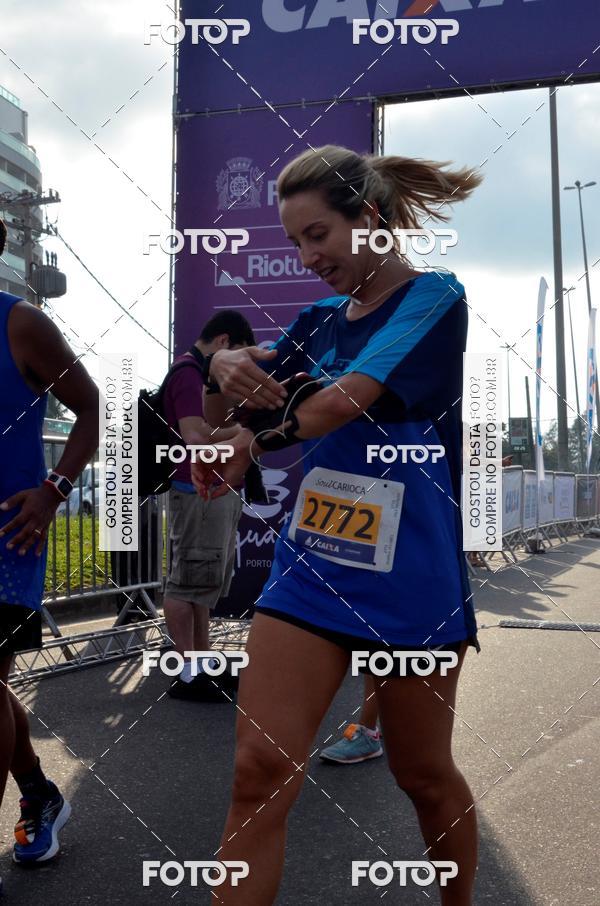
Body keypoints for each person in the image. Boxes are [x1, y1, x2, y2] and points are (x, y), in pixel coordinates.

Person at [193, 145, 483, 905]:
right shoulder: (317, 320)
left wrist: (256, 440)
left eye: (317, 235)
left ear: (371, 218)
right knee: (257, 769)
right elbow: (229, 411)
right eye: (295, 241)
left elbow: (339, 402)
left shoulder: (435, 297)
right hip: (312, 570)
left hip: (411, 582)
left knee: (423, 777)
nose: (306, 257)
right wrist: (218, 368)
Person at [0, 219, 99, 880]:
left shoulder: (22, 324)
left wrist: (54, 489)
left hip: (8, 535)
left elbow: (89, 406)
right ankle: (38, 790)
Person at [162, 310, 255, 702]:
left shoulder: (197, 373)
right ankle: (186, 671)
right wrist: (248, 431)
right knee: (186, 581)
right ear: (223, 342)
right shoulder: (188, 373)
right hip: (197, 487)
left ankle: (199, 664)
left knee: (201, 583)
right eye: (237, 355)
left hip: (212, 488)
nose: (237, 368)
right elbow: (196, 436)